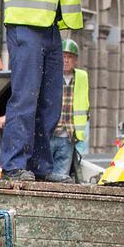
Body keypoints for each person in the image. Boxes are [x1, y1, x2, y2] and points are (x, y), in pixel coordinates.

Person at [0, 0, 99, 182]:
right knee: (25, 98)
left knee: (49, 102)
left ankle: (41, 168)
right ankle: (15, 166)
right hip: (26, 29)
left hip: (52, 33)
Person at [45, 38, 89, 182]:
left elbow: (85, 105)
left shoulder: (81, 78)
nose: (66, 60)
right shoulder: (50, 75)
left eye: (70, 57)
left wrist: (80, 136)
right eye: (63, 56)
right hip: (50, 134)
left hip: (68, 137)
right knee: (44, 175)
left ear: (75, 60)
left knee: (62, 179)